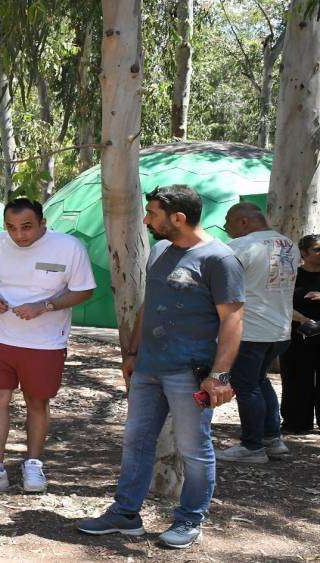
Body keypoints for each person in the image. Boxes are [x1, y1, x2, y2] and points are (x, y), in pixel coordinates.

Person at [77, 185, 243, 549]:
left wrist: (219, 376)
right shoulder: (159, 251)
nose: (148, 220)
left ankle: (189, 520)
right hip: (149, 368)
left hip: (190, 372)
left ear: (178, 218)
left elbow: (233, 320)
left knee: (193, 448)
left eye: (153, 214)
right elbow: (148, 304)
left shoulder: (219, 259)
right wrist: (132, 353)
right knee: (136, 441)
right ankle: (125, 515)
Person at [0, 198, 95, 494]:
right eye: (11, 227)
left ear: (43, 222)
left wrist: (45, 305)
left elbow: (84, 291)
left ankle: (33, 464)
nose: (19, 235)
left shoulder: (68, 247)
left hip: (45, 342)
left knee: (36, 401)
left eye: (27, 227)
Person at [216, 203, 298, 462]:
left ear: (243, 222)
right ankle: (273, 440)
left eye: (228, 221)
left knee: (246, 385)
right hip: (280, 329)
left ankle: (252, 447)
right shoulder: (289, 244)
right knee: (260, 381)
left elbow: (219, 285)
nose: (225, 227)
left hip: (250, 330)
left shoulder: (241, 247)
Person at [280, 234, 320, 433]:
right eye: (317, 249)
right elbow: (280, 303)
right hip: (297, 336)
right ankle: (296, 422)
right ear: (304, 252)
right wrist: (302, 320)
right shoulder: (291, 275)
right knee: (296, 379)